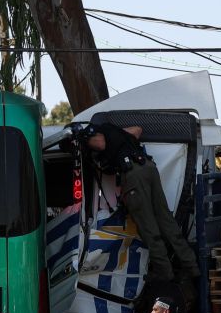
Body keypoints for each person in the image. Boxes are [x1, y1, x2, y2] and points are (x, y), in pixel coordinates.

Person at [82, 122, 199, 286]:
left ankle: (165, 272)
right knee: (166, 220)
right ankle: (191, 266)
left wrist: (87, 145)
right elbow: (137, 130)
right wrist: (118, 135)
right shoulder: (112, 129)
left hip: (133, 176)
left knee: (148, 228)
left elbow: (100, 144)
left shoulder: (93, 138)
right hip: (148, 167)